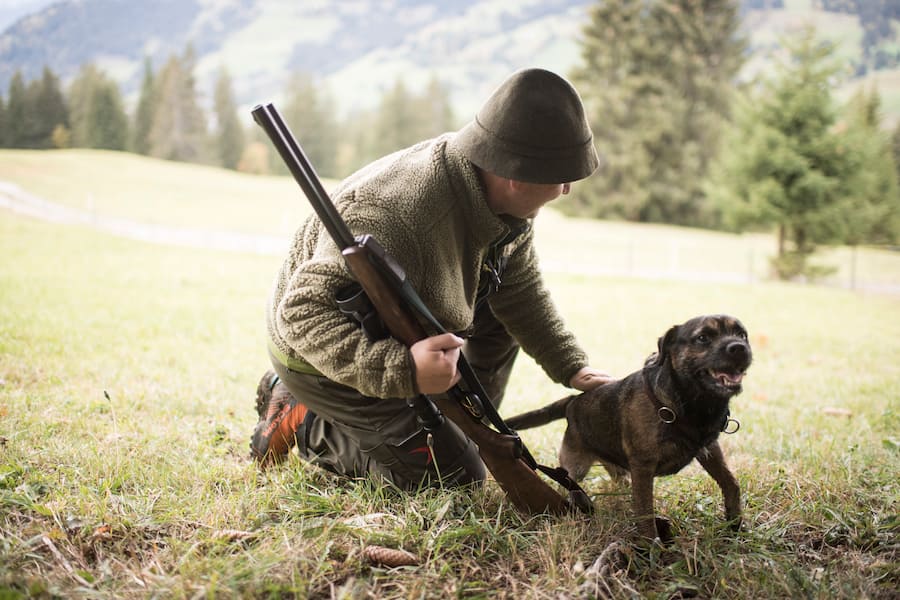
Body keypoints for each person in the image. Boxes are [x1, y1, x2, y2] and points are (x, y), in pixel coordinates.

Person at [250, 67, 612, 490]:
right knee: (450, 477)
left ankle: (457, 427)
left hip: (405, 325)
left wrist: (571, 366)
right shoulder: (391, 213)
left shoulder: (503, 199)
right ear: (517, 175)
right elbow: (300, 315)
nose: (566, 189)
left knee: (494, 339)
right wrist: (404, 369)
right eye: (562, 177)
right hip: (318, 354)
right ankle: (307, 420)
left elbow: (520, 290)